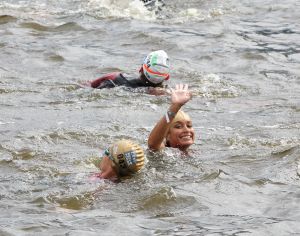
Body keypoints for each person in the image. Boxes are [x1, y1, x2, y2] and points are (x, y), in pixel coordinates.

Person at [84, 50, 170, 95]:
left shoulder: (115, 77)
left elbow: (89, 86)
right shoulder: (165, 93)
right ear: (167, 77)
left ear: (141, 69)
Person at [148, 84, 194, 152]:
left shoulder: (196, 153)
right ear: (167, 136)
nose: (187, 130)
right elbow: (153, 144)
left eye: (189, 126)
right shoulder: (163, 152)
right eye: (178, 126)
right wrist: (176, 106)